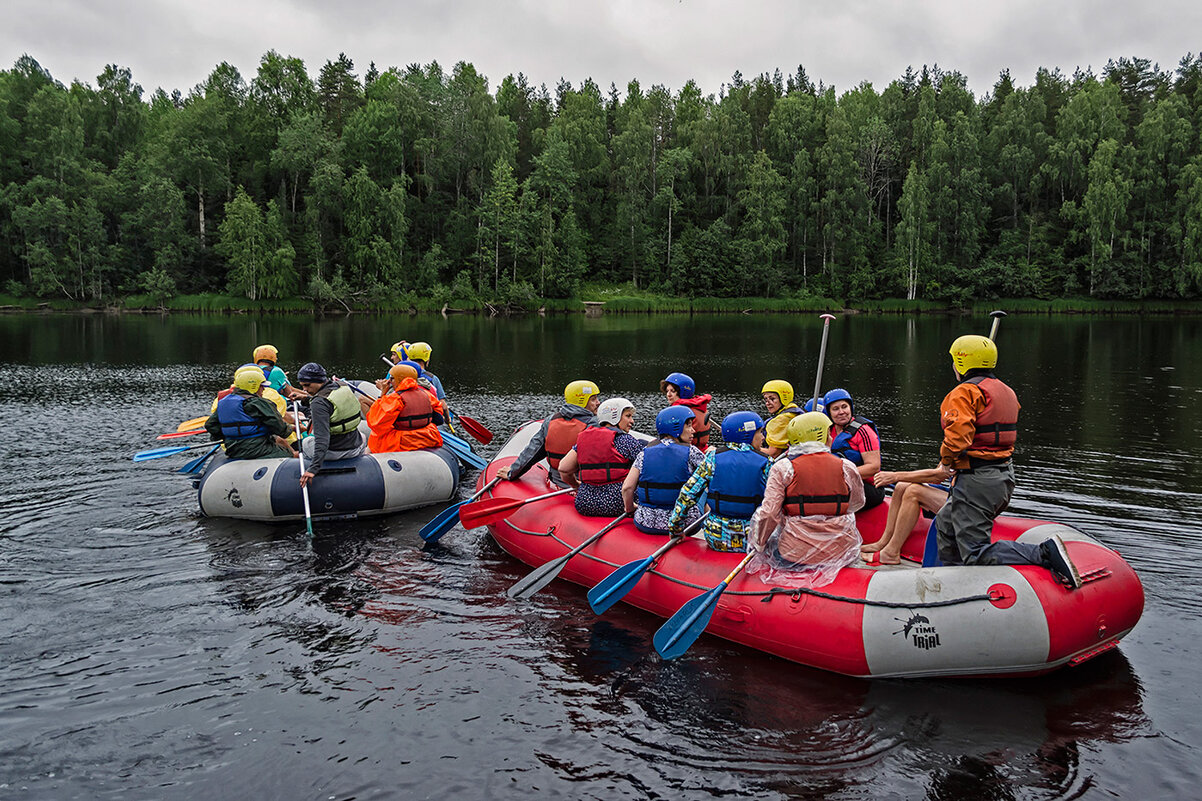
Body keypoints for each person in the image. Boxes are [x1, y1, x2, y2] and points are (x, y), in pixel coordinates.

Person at [935, 335, 1082, 588]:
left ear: (961, 362)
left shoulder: (964, 393)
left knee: (975, 552)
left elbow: (958, 440)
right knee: (945, 526)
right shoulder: (1006, 390)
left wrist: (945, 462)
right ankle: (953, 584)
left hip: (977, 481)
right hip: (1001, 476)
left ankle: (1044, 553)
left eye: (954, 361)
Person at [748, 411, 864, 587]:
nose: (831, 438)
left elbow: (769, 514)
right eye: (828, 433)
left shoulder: (782, 468)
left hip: (795, 554)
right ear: (822, 437)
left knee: (772, 544)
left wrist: (759, 545)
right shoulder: (846, 466)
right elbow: (857, 503)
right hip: (841, 551)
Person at [668, 411, 771, 552]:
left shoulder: (713, 458)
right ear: (747, 435)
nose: (763, 437)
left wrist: (676, 528)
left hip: (717, 539)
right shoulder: (766, 462)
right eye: (759, 432)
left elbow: (687, 495)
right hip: (752, 540)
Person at [498, 380, 601, 487]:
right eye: (593, 399)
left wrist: (512, 472)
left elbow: (532, 452)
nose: (598, 403)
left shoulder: (550, 421)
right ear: (582, 401)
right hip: (583, 487)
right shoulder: (597, 425)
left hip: (556, 484)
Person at [623, 407, 706, 535]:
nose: (693, 431)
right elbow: (716, 478)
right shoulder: (692, 452)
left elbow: (627, 488)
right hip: (684, 525)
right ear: (676, 428)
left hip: (646, 523)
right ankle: (712, 529)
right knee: (705, 489)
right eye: (689, 426)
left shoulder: (644, 452)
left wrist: (630, 509)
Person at [558, 397, 645, 517]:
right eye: (628, 416)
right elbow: (650, 470)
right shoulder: (626, 441)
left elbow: (563, 469)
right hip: (618, 504)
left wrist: (576, 486)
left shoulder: (584, 440)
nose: (632, 421)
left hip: (585, 503)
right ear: (614, 416)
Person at [860, 465, 954, 565]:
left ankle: (891, 553)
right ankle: (883, 542)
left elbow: (939, 475)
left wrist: (895, 476)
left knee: (914, 492)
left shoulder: (962, 454)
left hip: (963, 504)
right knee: (901, 485)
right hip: (953, 492)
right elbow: (939, 471)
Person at [295, 362, 367, 489]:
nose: (304, 389)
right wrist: (305, 398)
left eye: (307, 385)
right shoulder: (342, 386)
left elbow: (322, 440)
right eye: (302, 386)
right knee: (363, 435)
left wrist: (313, 468)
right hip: (356, 444)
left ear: (318, 381)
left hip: (336, 451)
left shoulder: (318, 403)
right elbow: (329, 401)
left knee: (306, 442)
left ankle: (318, 472)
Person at [204, 367, 294, 460]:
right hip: (258, 449)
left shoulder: (224, 402)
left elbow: (210, 425)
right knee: (289, 453)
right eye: (261, 386)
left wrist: (229, 436)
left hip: (232, 450)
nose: (263, 389)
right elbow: (281, 429)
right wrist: (290, 429)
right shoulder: (258, 403)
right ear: (254, 386)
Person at [824, 388, 885, 510]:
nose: (841, 412)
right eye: (835, 409)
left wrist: (841, 476)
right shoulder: (827, 431)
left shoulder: (864, 431)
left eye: (844, 407)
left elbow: (873, 466)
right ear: (829, 413)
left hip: (868, 487)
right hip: (839, 482)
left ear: (850, 408)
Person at [366, 363, 446, 453]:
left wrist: (382, 394)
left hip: (403, 441)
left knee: (374, 438)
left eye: (392, 378)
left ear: (399, 379)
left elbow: (375, 423)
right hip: (428, 437)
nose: (389, 381)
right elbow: (439, 419)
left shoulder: (396, 399)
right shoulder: (427, 395)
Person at [660, 372, 714, 450]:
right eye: (667, 391)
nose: (668, 394)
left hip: (686, 451)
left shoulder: (679, 411)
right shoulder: (700, 406)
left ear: (683, 392)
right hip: (702, 449)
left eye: (673, 391)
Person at [759, 379, 802, 457]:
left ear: (784, 398)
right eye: (766, 399)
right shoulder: (795, 412)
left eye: (772, 399)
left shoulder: (781, 420)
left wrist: (751, 448)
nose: (767, 403)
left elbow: (773, 453)